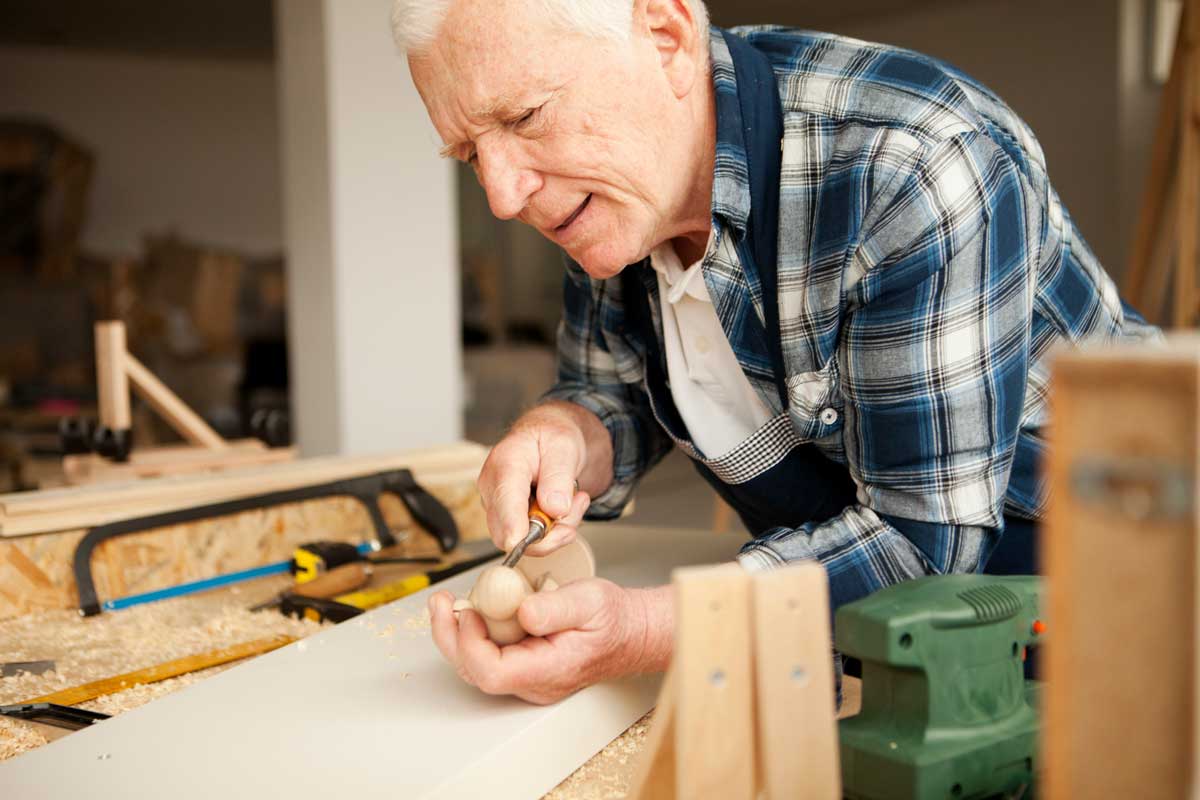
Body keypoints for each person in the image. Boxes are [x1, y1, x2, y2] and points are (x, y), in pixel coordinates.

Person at [393, 0, 1159, 704]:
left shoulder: (912, 163)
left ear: (665, 37)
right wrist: (564, 432)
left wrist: (650, 630)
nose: (502, 194)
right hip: (849, 636)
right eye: (468, 153)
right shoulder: (610, 189)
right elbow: (613, 388)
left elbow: (925, 551)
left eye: (525, 117)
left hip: (1097, 610)